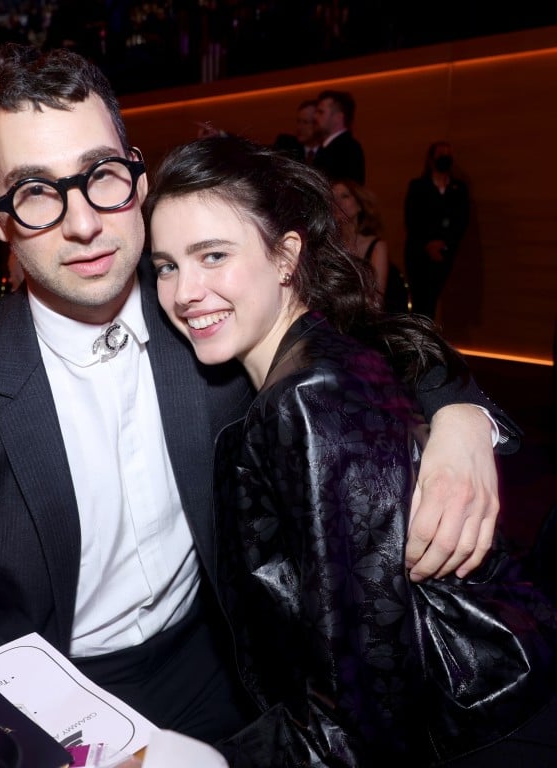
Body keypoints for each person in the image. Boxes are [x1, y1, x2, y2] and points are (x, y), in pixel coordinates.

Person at [0, 44, 519, 746]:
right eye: (35, 192)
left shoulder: (202, 309)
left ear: (137, 175)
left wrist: (461, 419)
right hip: (53, 700)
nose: (85, 221)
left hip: (232, 668)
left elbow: (374, 332)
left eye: (101, 176)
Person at [145, 133, 557, 766]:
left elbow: (368, 703)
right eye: (167, 265)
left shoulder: (309, 399)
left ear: (285, 257)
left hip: (474, 735)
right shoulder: (326, 352)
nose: (184, 292)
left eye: (213, 255)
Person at [404, 140, 470, 320]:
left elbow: (462, 221)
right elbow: (412, 220)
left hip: (446, 254)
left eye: (448, 155)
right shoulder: (418, 186)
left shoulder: (458, 189)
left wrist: (445, 244)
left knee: (436, 301)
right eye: (441, 155)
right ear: (431, 159)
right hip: (419, 254)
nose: (445, 159)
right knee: (421, 304)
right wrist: (428, 244)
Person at [332, 177, 411, 313]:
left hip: (365, 321)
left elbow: (376, 301)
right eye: (333, 198)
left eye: (345, 196)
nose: (338, 202)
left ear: (359, 206)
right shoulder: (329, 245)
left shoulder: (377, 246)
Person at [313, 89, 365, 184]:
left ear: (338, 117)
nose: (315, 117)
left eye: (321, 112)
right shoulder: (324, 148)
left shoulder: (349, 149)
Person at [272, 99, 320, 165]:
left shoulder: (330, 152)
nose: (299, 127)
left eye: (305, 122)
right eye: (298, 121)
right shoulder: (286, 146)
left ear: (318, 124)